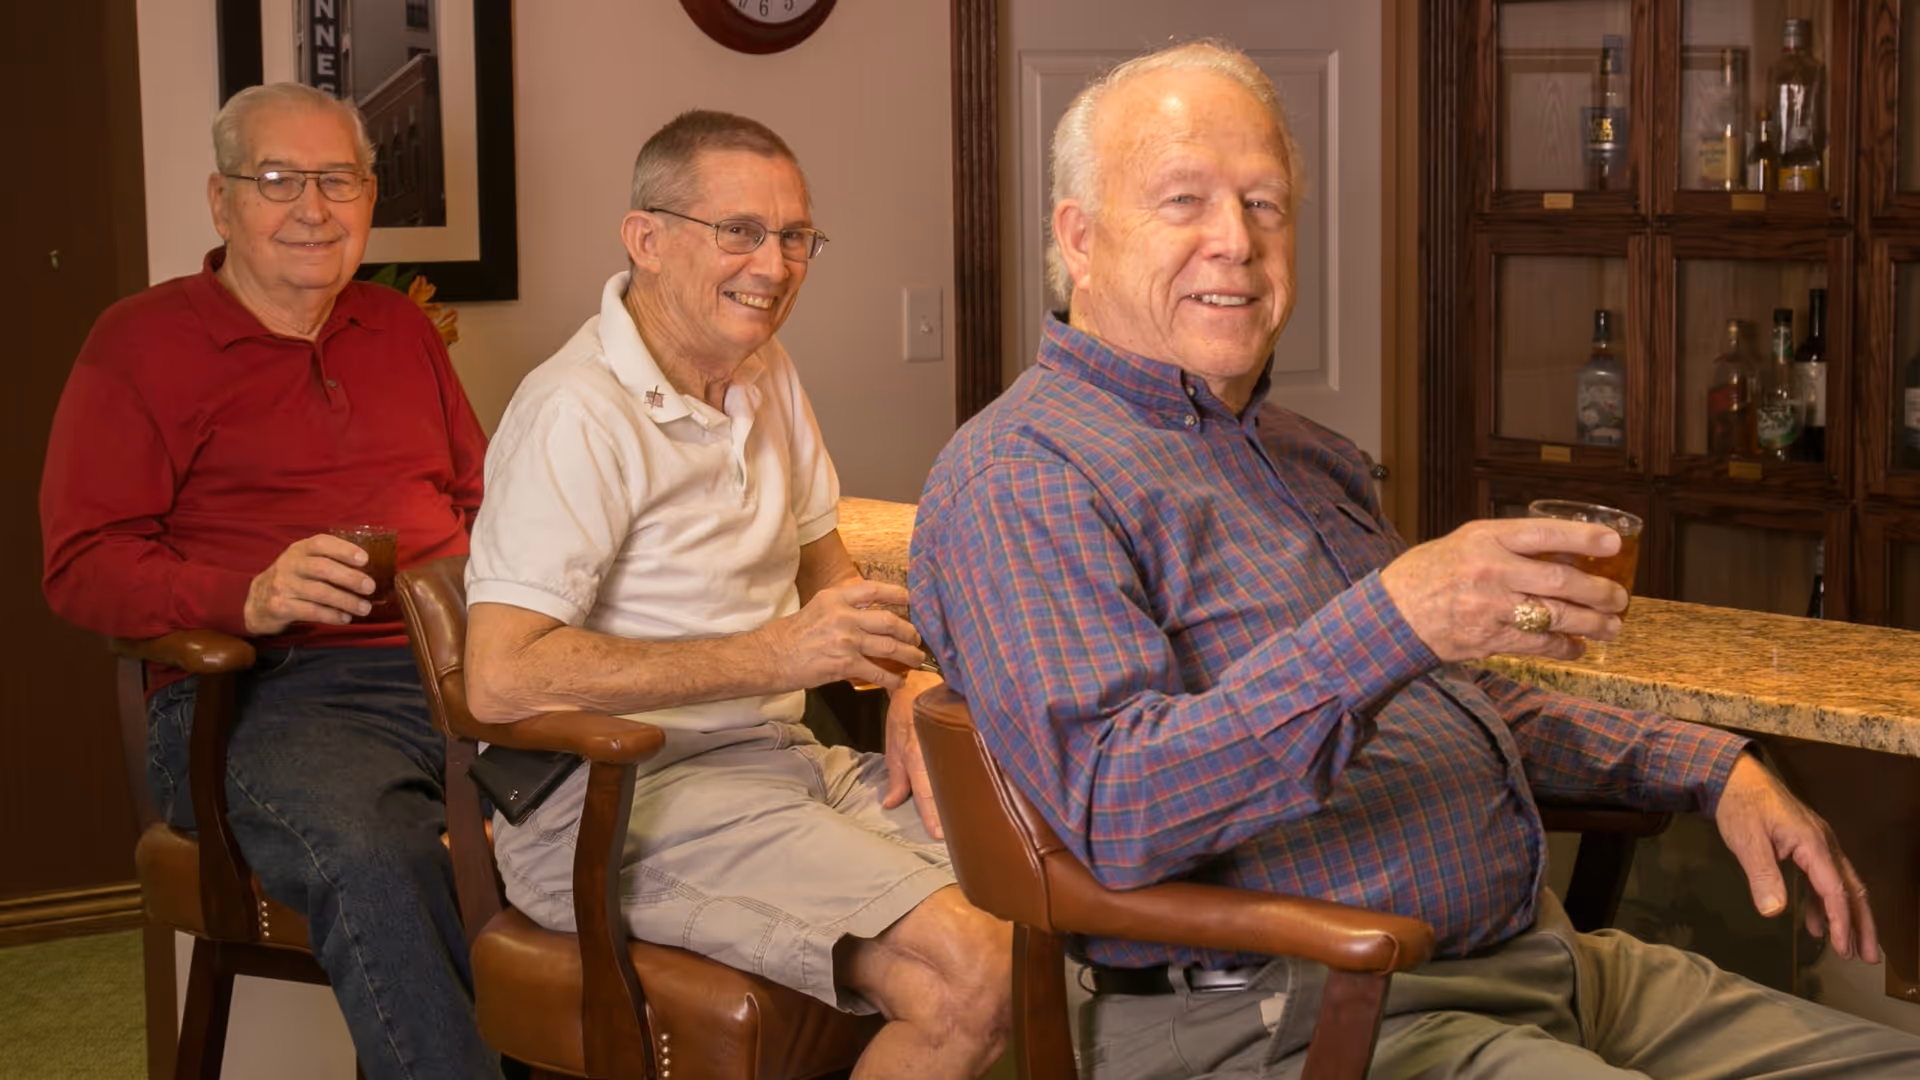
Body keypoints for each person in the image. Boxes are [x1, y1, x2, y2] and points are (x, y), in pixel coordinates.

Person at [909, 41, 1920, 1080]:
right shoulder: (1021, 478)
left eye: (1266, 205)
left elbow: (1461, 706)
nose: (1238, 244)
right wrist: (1393, 617)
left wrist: (1715, 768)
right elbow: (1118, 809)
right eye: (1184, 202)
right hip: (1307, 1015)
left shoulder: (1303, 455)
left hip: (1547, 968)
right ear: (1079, 238)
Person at [462, 109, 1010, 1078]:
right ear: (647, 238)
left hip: (778, 763)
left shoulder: (764, 371)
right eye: (741, 231)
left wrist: (907, 687)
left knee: (1043, 906)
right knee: (976, 963)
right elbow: (500, 681)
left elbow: (825, 567)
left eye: (796, 236)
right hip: (611, 800)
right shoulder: (574, 412)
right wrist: (773, 655)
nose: (776, 262)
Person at [40, 83, 496, 1079]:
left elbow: (481, 507)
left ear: (372, 197)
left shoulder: (402, 329)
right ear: (221, 201)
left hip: (455, 678)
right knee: (380, 850)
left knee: (631, 807)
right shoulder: (139, 342)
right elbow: (81, 569)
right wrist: (247, 595)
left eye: (339, 180)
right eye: (279, 179)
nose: (314, 209)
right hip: (259, 701)